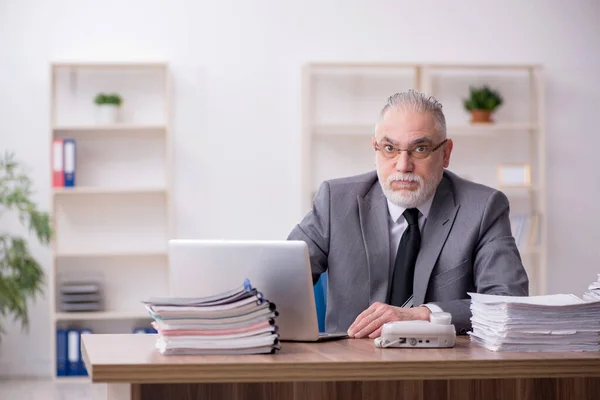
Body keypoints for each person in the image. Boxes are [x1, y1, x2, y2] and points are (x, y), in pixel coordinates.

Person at [287, 89, 529, 338]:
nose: (403, 166)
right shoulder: (335, 202)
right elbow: (280, 277)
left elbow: (507, 303)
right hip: (350, 363)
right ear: (375, 150)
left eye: (420, 149)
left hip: (444, 367)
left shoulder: (483, 208)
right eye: (390, 148)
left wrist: (423, 315)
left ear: (445, 154)